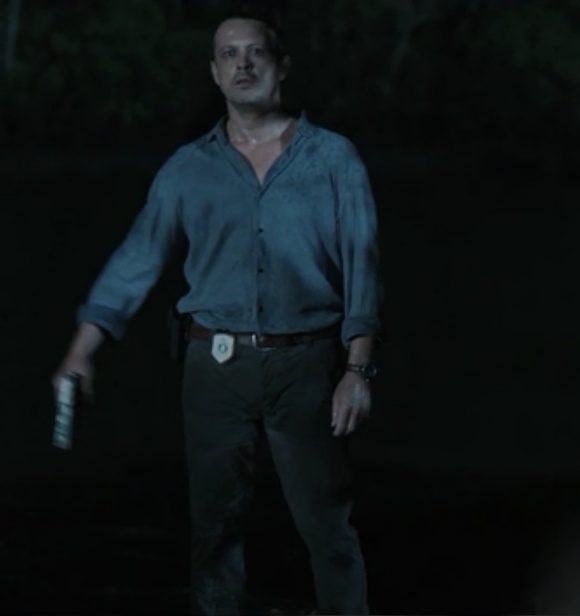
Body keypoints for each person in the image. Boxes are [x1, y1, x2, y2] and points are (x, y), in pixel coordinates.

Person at [50, 8, 381, 615]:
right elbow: (136, 260)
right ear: (214, 72)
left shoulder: (334, 160)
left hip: (307, 364)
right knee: (214, 534)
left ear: (281, 66)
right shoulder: (186, 169)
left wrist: (357, 370)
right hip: (214, 368)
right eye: (229, 54)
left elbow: (364, 266)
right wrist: (81, 352)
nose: (243, 64)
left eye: (255, 52)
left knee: (329, 528)